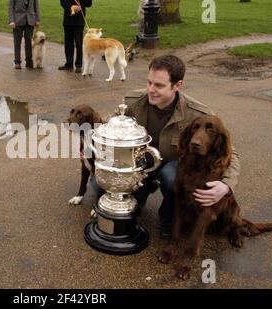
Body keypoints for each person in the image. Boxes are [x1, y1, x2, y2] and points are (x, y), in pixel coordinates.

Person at [92, 55, 241, 239]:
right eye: (149, 82)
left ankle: (168, 220)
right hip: (138, 165)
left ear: (177, 85)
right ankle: (139, 193)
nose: (151, 90)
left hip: (173, 166)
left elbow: (231, 153)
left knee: (171, 177)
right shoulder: (133, 102)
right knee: (97, 186)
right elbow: (108, 126)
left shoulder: (198, 114)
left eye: (159, 86)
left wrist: (226, 186)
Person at [59, 0, 92, 73]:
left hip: (79, 22)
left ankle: (78, 65)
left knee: (78, 44)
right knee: (68, 44)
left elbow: (89, 3)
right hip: (68, 21)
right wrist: (71, 7)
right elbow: (63, 2)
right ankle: (69, 64)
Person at [8, 0, 40, 70]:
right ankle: (17, 62)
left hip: (30, 20)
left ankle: (28, 61)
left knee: (28, 42)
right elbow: (11, 7)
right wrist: (11, 21)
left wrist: (37, 19)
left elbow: (36, 7)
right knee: (17, 42)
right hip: (17, 21)